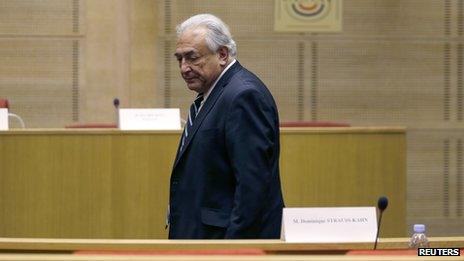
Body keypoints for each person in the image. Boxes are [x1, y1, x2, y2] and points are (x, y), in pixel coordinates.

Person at [168, 13, 284, 239]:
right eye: (179, 59)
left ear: (222, 54)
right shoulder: (216, 94)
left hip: (226, 241)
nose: (184, 68)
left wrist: (231, 250)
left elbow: (252, 189)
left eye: (192, 57)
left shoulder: (243, 96)